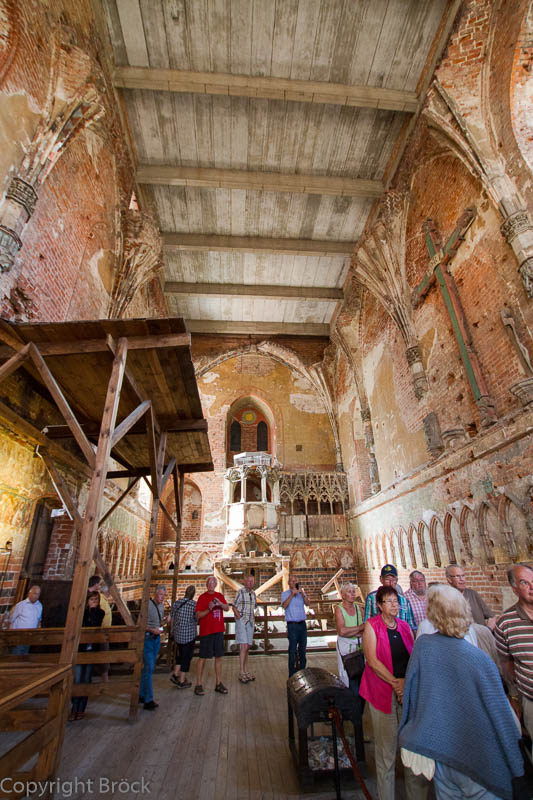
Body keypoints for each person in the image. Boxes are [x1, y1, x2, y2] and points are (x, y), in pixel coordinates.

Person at [399, 584, 524, 799]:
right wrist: (518, 769)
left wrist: (410, 734)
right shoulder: (478, 659)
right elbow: (500, 715)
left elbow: (411, 696)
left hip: (442, 753)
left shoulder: (424, 647)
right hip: (479, 756)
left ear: (433, 615)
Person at [359, 585, 428, 800]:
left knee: (411, 749)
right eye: (389, 601)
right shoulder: (372, 626)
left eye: (396, 601)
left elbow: (413, 657)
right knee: (386, 752)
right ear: (379, 605)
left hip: (406, 693)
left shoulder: (405, 627)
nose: (394, 605)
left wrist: (405, 683)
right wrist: (395, 683)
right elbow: (372, 660)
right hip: (382, 694)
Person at [495, 563, 533, 742]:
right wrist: (514, 695)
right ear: (515, 589)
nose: (532, 588)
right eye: (525, 583)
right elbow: (506, 661)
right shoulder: (506, 623)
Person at [335, 582, 366, 757]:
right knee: (350, 685)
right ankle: (348, 723)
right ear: (343, 594)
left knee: (361, 688)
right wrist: (359, 629)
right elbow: (342, 631)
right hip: (346, 652)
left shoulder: (360, 610)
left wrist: (355, 630)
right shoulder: (339, 609)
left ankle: (357, 724)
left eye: (354, 591)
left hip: (359, 651)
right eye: (349, 592)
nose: (353, 594)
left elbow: (362, 630)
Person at [69, 592, 105, 721]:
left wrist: (94, 610)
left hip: (91, 651)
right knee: (77, 679)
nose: (94, 601)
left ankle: (81, 709)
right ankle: (74, 707)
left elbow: (95, 623)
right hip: (80, 650)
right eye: (91, 599)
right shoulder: (82, 613)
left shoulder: (100, 613)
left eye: (96, 600)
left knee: (86, 680)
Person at [195, 576, 230, 695]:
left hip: (218, 631)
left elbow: (227, 608)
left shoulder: (219, 596)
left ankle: (218, 683)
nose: (211, 584)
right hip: (206, 632)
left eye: (213, 582)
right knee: (202, 658)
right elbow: (198, 615)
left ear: (215, 584)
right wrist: (209, 609)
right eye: (209, 582)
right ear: (206, 584)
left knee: (219, 657)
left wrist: (220, 604)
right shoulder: (202, 597)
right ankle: (199, 684)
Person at [364, 565, 416, 631]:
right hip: (380, 638)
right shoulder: (371, 598)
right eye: (387, 579)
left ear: (397, 580)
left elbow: (411, 626)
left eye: (393, 579)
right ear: (381, 579)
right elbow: (367, 623)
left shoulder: (404, 601)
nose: (391, 583)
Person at [139, 585, 167, 710]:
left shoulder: (161, 606)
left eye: (164, 595)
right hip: (148, 638)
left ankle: (141, 694)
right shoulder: (147, 605)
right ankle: (148, 699)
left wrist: (165, 621)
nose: (162, 598)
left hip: (155, 639)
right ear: (155, 593)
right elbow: (140, 624)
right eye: (160, 595)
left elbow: (159, 622)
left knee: (149, 667)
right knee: (149, 667)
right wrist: (152, 630)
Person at [170, 585, 196, 688]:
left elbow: (172, 616)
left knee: (180, 654)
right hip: (188, 635)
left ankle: (175, 673)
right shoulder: (193, 605)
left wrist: (172, 629)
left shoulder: (177, 603)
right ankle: (181, 680)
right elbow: (197, 618)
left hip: (178, 634)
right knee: (187, 657)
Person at [282, 574, 308, 677]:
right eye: (291, 581)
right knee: (292, 650)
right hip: (292, 625)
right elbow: (284, 605)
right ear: (289, 583)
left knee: (302, 649)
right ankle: (292, 675)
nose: (293, 583)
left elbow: (308, 603)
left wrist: (302, 594)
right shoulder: (285, 594)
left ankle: (303, 672)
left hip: (302, 625)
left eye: (295, 581)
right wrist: (292, 595)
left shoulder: (302, 593)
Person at [233, 574, 257, 683]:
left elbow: (253, 608)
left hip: (250, 622)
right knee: (244, 646)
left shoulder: (253, 594)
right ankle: (241, 672)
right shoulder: (240, 592)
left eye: (252, 581)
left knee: (247, 647)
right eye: (248, 581)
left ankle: (246, 671)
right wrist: (240, 619)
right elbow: (234, 607)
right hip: (242, 622)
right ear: (244, 582)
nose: (250, 583)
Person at [88, 575, 112, 681]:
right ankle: (103, 679)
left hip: (103, 632)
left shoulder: (101, 597)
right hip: (99, 632)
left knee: (103, 655)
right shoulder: (97, 598)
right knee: (102, 654)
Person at [9, 585, 42, 655]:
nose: (36, 596)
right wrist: (11, 636)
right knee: (15, 656)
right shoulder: (21, 605)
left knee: (24, 656)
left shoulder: (39, 606)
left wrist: (37, 633)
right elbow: (11, 619)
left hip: (30, 636)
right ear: (29, 593)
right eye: (35, 593)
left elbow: (39, 620)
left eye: (38, 594)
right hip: (19, 636)